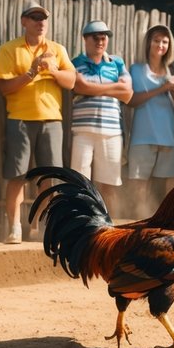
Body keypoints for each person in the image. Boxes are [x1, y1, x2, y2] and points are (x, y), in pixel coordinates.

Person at [0, 1, 77, 244]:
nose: (40, 22)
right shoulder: (9, 49)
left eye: (43, 18)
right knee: (17, 176)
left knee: (49, 179)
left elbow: (70, 81)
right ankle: (14, 228)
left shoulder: (57, 49)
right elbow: (4, 88)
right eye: (34, 18)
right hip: (19, 119)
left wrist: (52, 71)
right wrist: (31, 71)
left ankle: (42, 228)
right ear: (24, 22)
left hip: (52, 120)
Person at [70, 19, 132, 213]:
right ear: (85, 39)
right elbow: (79, 86)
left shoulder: (117, 63)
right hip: (82, 131)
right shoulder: (75, 63)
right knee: (80, 182)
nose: (100, 41)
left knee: (110, 183)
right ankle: (82, 223)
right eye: (95, 37)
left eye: (104, 37)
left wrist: (91, 89)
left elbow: (128, 94)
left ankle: (109, 226)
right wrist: (113, 88)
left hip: (112, 132)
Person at [127, 24, 174, 216]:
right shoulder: (135, 70)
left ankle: (165, 221)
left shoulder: (172, 73)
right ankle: (138, 219)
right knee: (139, 183)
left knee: (167, 184)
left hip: (168, 135)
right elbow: (131, 100)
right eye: (156, 40)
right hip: (143, 135)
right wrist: (162, 89)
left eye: (165, 41)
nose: (160, 44)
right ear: (148, 43)